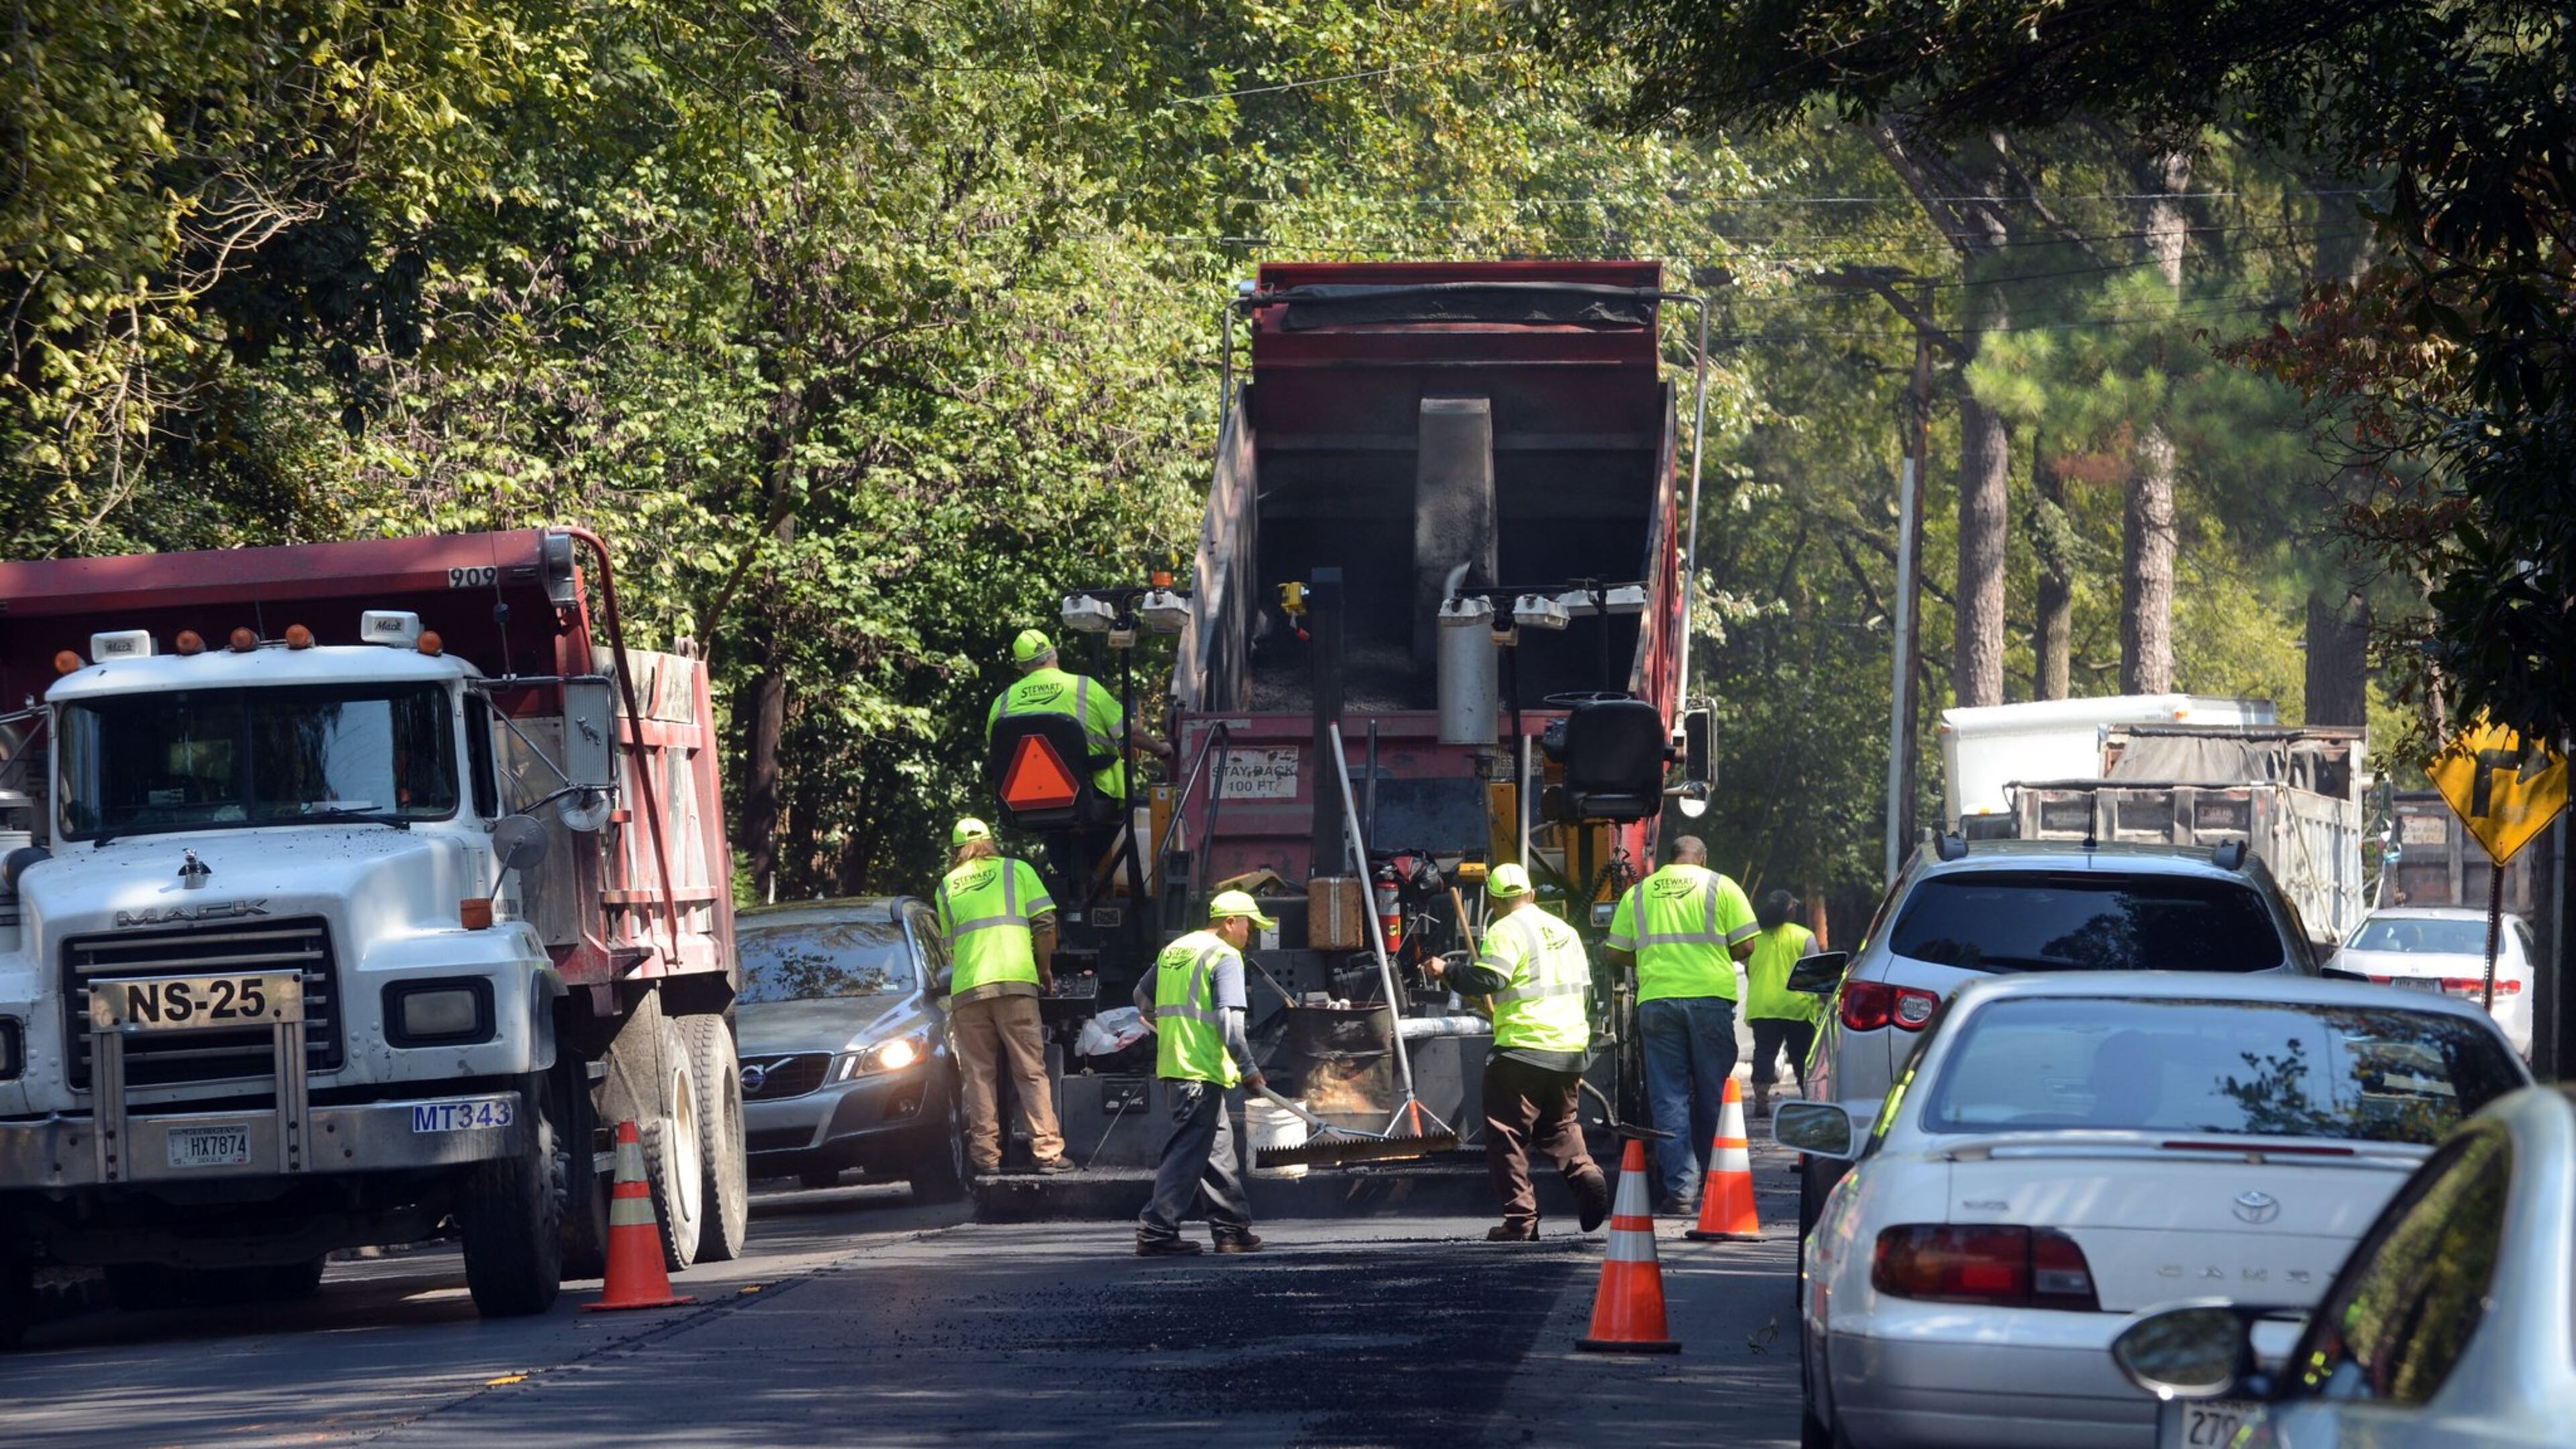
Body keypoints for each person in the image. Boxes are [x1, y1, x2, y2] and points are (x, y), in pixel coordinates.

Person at [1426, 864, 1611, 1242]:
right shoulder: (1566, 931)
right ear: (1532, 894)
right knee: (1560, 1126)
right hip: (1569, 1049)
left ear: (1494, 900)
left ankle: (1520, 1220)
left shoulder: (1505, 929)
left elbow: (1490, 979)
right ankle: (1586, 1173)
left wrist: (1447, 969)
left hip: (1522, 1050)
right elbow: (1588, 993)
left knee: (1507, 1134)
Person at [1601, 835, 1758, 1215]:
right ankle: (1718, 1186)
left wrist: (1656, 960)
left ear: (1670, 859)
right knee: (1713, 1094)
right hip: (1709, 1002)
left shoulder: (1639, 893)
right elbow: (1747, 946)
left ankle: (1681, 1192)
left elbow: (1615, 951)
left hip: (1658, 1002)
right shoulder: (1722, 886)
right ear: (1702, 859)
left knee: (1668, 1097)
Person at [1132, 890, 1271, 1256]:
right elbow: (1229, 1023)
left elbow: (1141, 998)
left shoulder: (1176, 949)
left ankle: (1231, 1230)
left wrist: (1171, 1029)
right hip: (1200, 1069)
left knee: (1218, 1149)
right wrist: (1250, 1069)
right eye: (1248, 926)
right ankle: (1157, 1230)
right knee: (1189, 1150)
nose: (1250, 936)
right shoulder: (1226, 957)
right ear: (1229, 923)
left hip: (1178, 1067)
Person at [932, 818, 1072, 1175]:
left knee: (978, 1076)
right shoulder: (1017, 870)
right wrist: (1044, 969)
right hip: (1014, 984)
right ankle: (1047, 1153)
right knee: (1030, 1071)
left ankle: (986, 1159)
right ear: (991, 843)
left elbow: (952, 948)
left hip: (968, 991)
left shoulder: (946, 886)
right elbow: (1044, 923)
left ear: (956, 851)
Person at [986, 628, 1170, 804]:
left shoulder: (1002, 702)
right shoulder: (1085, 688)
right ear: (1054, 653)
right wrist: (1161, 749)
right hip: (1091, 798)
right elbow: (1131, 733)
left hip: (1023, 803)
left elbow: (997, 751)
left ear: (1021, 666)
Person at [1743, 889, 1821, 1122]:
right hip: (1797, 1007)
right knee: (1802, 1056)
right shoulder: (1804, 936)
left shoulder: (1754, 937)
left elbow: (1748, 968)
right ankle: (1809, 1098)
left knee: (1765, 1053)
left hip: (1764, 1006)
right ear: (1790, 910)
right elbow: (1815, 973)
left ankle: (1761, 1101)